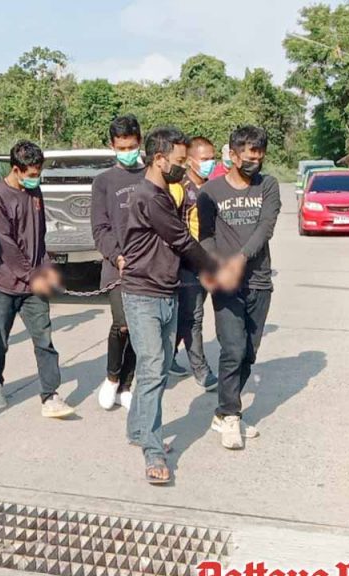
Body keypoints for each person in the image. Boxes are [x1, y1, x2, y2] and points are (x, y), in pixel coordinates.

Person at [122, 127, 239, 485]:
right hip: (143, 294)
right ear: (159, 159)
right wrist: (216, 269)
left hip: (166, 290)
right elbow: (182, 241)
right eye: (178, 160)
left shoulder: (161, 194)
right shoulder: (149, 196)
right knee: (154, 369)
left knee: (153, 367)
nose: (183, 166)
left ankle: (138, 430)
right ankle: (153, 451)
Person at [197, 125, 281, 450]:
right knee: (232, 350)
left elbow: (265, 227)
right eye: (248, 156)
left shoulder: (268, 185)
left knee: (249, 352)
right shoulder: (210, 191)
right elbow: (205, 236)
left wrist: (241, 259)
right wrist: (220, 265)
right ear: (232, 155)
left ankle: (223, 414)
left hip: (258, 280)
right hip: (227, 284)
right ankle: (231, 414)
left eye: (259, 156)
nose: (254, 161)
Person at [0, 140, 73, 419]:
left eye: (39, 173)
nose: (36, 178)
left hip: (34, 285)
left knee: (44, 339)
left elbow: (39, 236)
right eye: (32, 174)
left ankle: (50, 394)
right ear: (16, 169)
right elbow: (5, 244)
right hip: (3, 283)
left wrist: (46, 270)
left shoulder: (35, 193)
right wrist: (31, 275)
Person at [91, 114, 145, 412]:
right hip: (117, 266)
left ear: (140, 142)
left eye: (132, 146)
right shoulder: (103, 182)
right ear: (112, 146)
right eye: (121, 148)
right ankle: (112, 377)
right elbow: (100, 228)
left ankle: (127, 384)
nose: (127, 152)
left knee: (140, 328)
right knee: (123, 324)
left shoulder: (150, 175)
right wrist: (117, 256)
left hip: (148, 266)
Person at [168, 137, 219, 391]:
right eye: (205, 159)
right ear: (190, 160)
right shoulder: (179, 188)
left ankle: (167, 356)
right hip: (187, 262)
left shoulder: (212, 188)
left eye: (212, 158)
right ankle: (201, 370)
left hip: (210, 260)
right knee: (194, 316)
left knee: (186, 315)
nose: (210, 163)